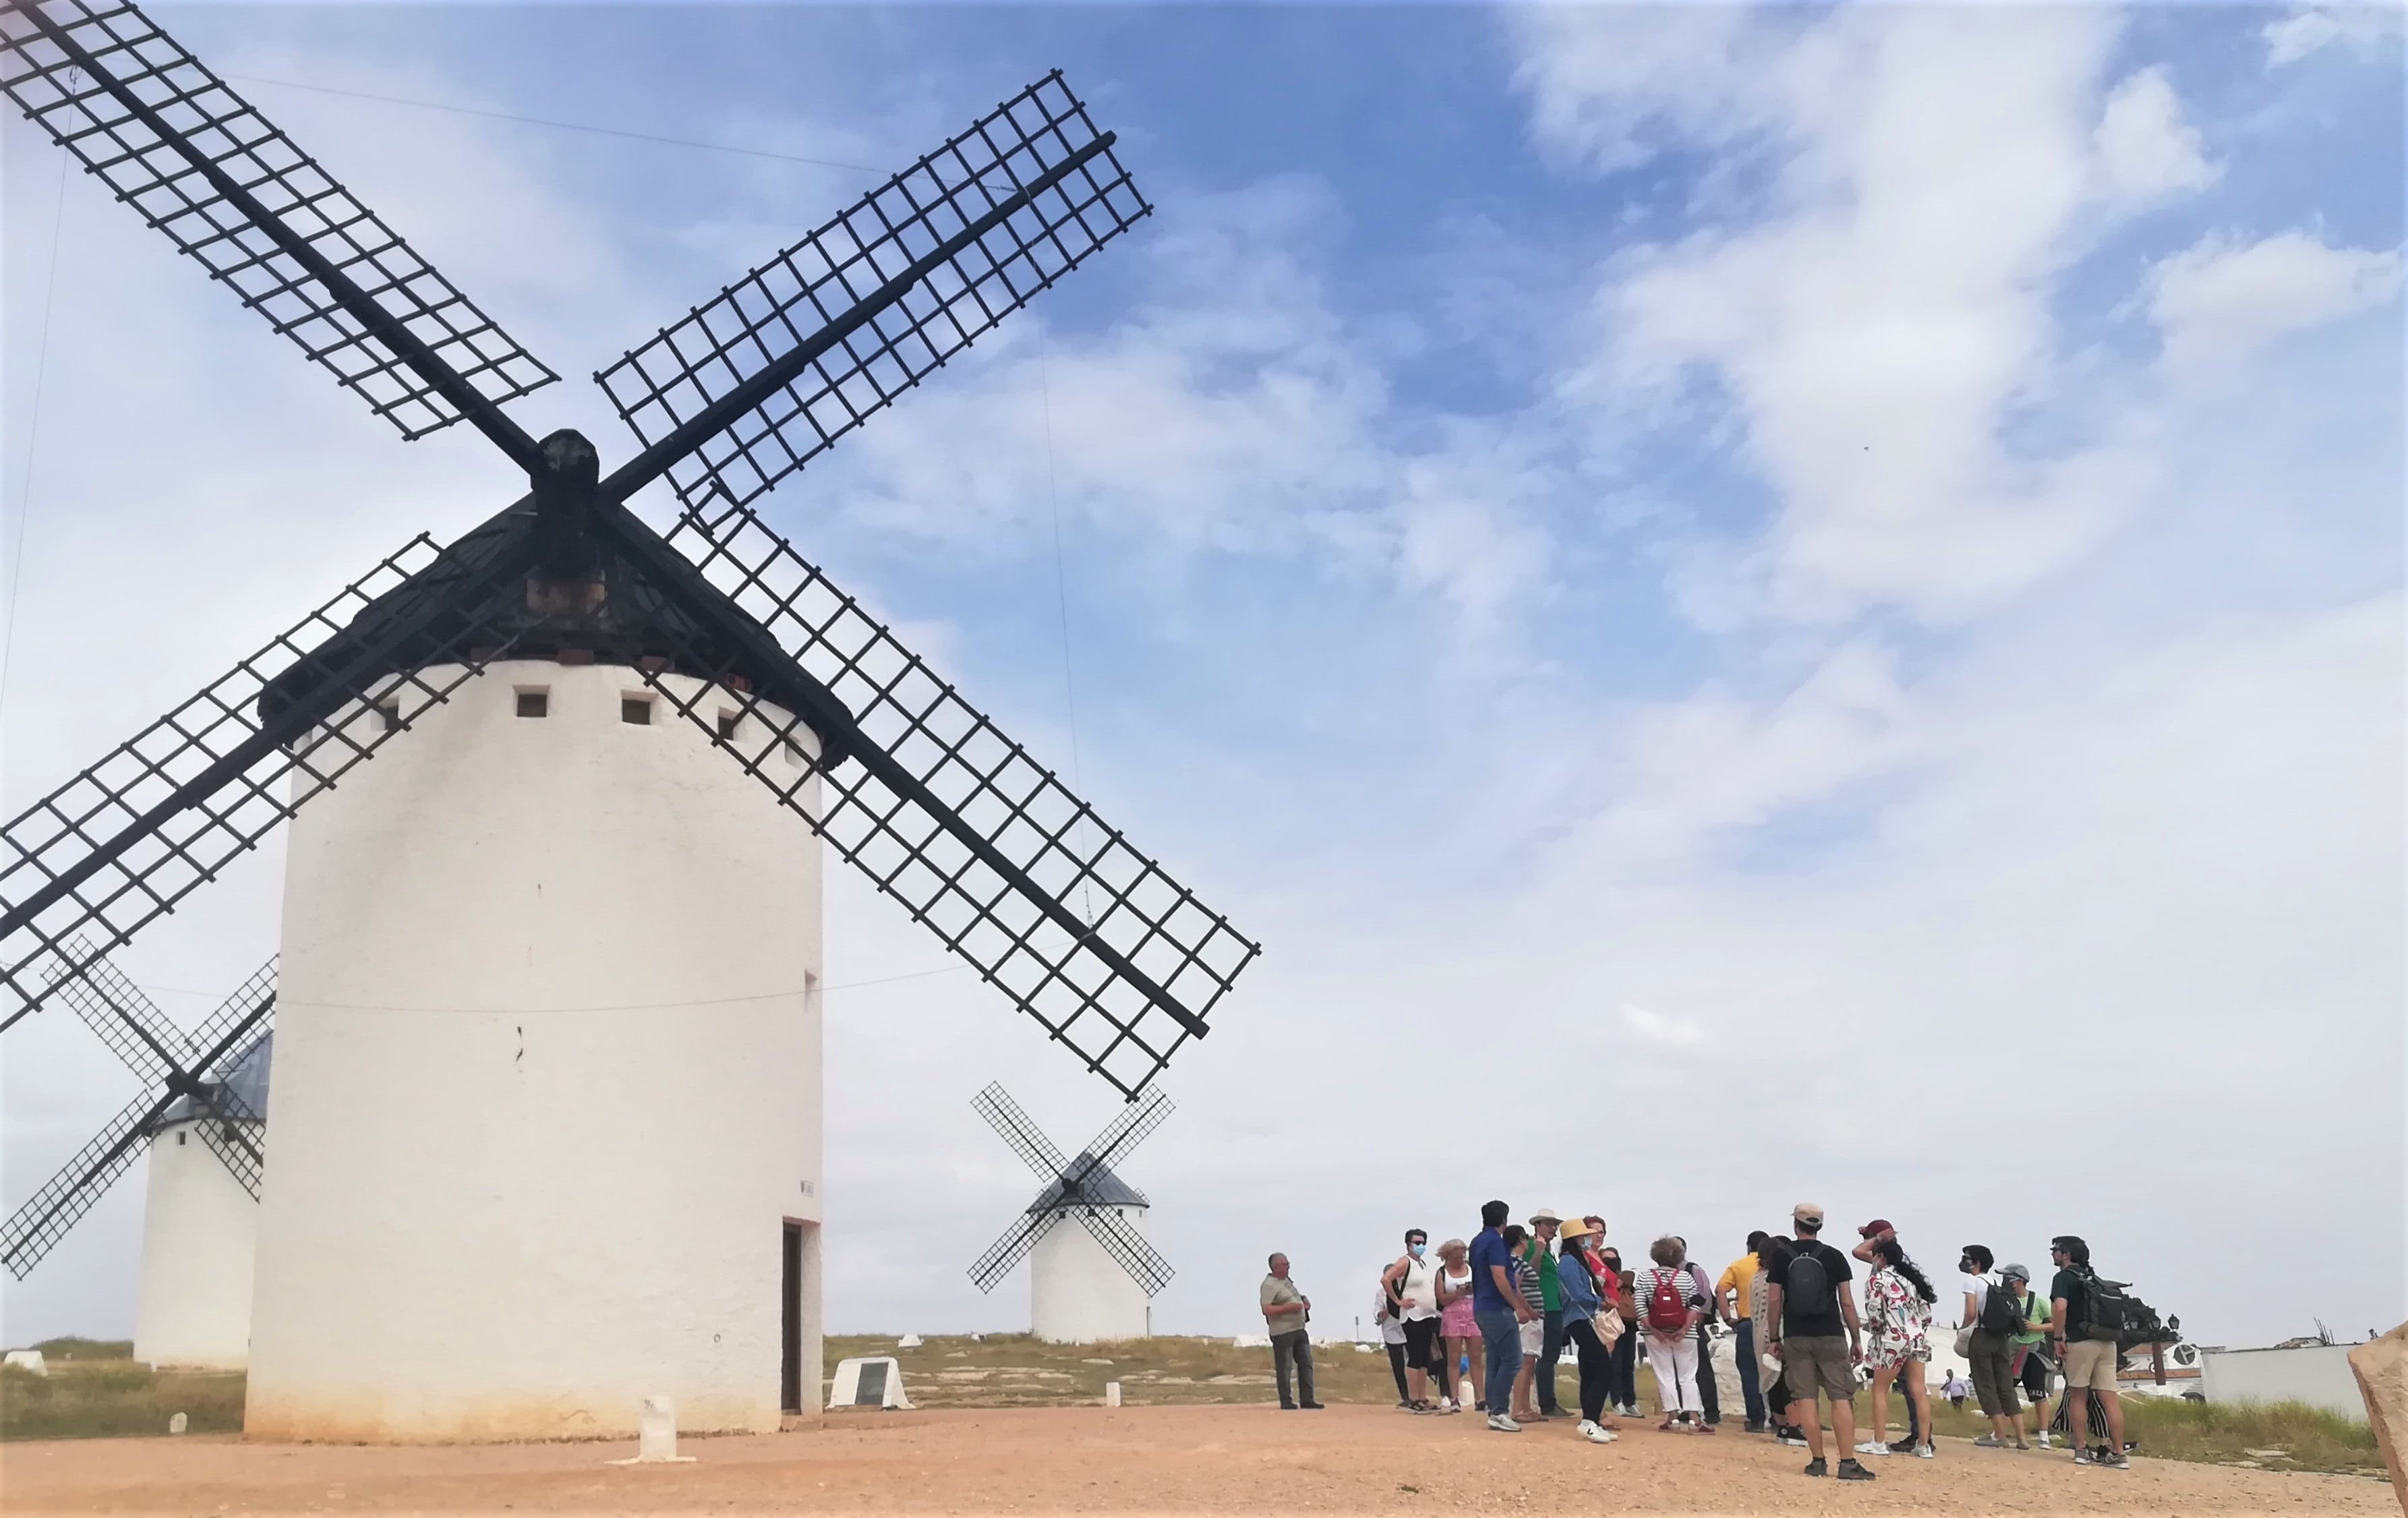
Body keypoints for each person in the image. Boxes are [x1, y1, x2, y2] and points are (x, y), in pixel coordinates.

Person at [1765, 1203, 1874, 1480]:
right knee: (1840, 1397)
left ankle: (1817, 1461)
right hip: (1831, 1334)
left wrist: (1775, 1337)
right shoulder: (1834, 1256)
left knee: (1806, 1398)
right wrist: (1856, 1337)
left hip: (1796, 1336)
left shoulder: (1781, 1256)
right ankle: (1848, 1463)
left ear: (1796, 1226)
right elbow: (1847, 1303)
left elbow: (1775, 1299)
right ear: (1819, 1227)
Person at [2048, 1235, 2128, 1469]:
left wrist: (2058, 1336)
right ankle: (2118, 1453)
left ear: (2066, 1254)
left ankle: (2081, 1450)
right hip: (2107, 1342)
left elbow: (2060, 1307)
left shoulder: (2063, 1278)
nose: (2053, 1254)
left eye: (2056, 1250)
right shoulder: (2095, 1279)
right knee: (2110, 1400)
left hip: (2080, 1342)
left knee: (2078, 1396)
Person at [1858, 1236, 1936, 1459]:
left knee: (1880, 1389)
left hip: (1892, 1338)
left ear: (1880, 1257)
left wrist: (1876, 1330)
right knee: (1919, 1391)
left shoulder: (1877, 1280)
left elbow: (1874, 1313)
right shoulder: (1912, 1281)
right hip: (1917, 1338)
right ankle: (1924, 1445)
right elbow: (1926, 1313)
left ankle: (1879, 1442)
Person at [1633, 1235, 1711, 1432]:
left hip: (1655, 1335)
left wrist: (1652, 1329)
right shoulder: (1686, 1277)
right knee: (1688, 1376)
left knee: (1665, 1374)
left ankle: (1672, 1418)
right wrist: (1685, 1328)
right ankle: (1695, 1418)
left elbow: (1640, 1305)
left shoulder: (1645, 1277)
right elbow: (1696, 1304)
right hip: (1686, 1335)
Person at [1554, 1219, 1619, 1443]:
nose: (1589, 1239)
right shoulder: (1569, 1262)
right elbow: (1577, 1293)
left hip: (1583, 1318)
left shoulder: (1574, 1260)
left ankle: (1592, 1421)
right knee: (1604, 1369)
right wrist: (1600, 1301)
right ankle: (1589, 1421)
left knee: (1592, 1370)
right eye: (1585, 1235)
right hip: (1580, 1318)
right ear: (1576, 1238)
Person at [1470, 1200, 1530, 1432]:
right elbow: (1500, 1276)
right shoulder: (1496, 1242)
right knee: (1513, 1359)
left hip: (1481, 1307)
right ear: (1504, 1219)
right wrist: (1517, 1306)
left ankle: (1495, 1409)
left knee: (1495, 1360)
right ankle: (1499, 1411)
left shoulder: (1477, 1241)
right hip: (1497, 1307)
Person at [1960, 1244, 2026, 1450]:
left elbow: (1971, 1313)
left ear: (1976, 1263)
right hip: (2002, 1338)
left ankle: (2000, 1435)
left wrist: (1962, 1332)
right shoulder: (1998, 1281)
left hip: (1982, 1334)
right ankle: (2022, 1438)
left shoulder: (1972, 1280)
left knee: (1986, 1385)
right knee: (2006, 1386)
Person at [1380, 1228, 1444, 1411]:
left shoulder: (1422, 1264)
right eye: (1417, 1242)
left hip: (1427, 1315)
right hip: (1412, 1315)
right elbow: (1386, 1279)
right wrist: (1398, 1301)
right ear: (1408, 1244)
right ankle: (1413, 1398)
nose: (1420, 1246)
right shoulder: (1404, 1262)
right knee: (1415, 1356)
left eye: (1423, 1242)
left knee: (1425, 1357)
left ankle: (1423, 1397)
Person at [1717, 1231, 1771, 1432]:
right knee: (1775, 1372)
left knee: (1749, 1372)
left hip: (1747, 1324)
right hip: (1771, 1323)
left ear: (1748, 1246)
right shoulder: (1774, 1264)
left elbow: (1721, 1290)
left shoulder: (1738, 1265)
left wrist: (1727, 1318)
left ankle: (1756, 1419)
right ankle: (1779, 1419)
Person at [1260, 1253, 1320, 1410]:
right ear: (1276, 1267)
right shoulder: (1269, 1285)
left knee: (1306, 1363)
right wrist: (1288, 1308)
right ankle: (1286, 1400)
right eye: (1285, 1264)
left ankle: (1307, 1399)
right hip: (1282, 1332)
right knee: (1285, 1366)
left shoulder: (1286, 1281)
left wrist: (1303, 1300)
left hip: (1299, 1328)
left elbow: (1293, 1296)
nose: (1288, 1267)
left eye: (1288, 1264)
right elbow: (1266, 1309)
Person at [2006, 1262, 2056, 1446]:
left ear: (2019, 1281)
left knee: (2038, 1394)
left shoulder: (2038, 1301)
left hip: (2035, 1350)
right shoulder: (2007, 1301)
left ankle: (2044, 1436)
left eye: (2009, 1277)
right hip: (2013, 1351)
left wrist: (2035, 1327)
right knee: (2006, 1390)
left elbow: (2056, 1324)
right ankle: (2001, 1431)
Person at [1523, 1209, 1566, 1418]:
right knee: (1546, 1355)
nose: (1553, 1228)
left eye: (1555, 1224)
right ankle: (1547, 1402)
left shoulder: (1549, 1251)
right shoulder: (1533, 1246)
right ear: (1538, 1225)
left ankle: (1547, 1400)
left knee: (1550, 1354)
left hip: (1554, 1305)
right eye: (1549, 1224)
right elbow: (1529, 1272)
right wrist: (1539, 1251)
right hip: (1544, 1306)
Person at [1676, 1239, 1722, 1428]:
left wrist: (1694, 1322)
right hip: (1674, 1328)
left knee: (1702, 1369)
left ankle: (1711, 1411)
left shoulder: (1693, 1270)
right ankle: (1685, 1409)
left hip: (1694, 1326)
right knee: (1679, 1371)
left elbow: (1704, 1300)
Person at [1504, 1225, 1545, 1422]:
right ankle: (1518, 1409)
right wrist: (1528, 1309)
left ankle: (1526, 1407)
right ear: (1521, 1240)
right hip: (1529, 1318)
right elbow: (1515, 1286)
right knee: (1525, 1362)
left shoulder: (1518, 1262)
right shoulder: (1516, 1262)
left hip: (1532, 1317)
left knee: (1530, 1362)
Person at [1435, 1237, 1479, 1413]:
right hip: (1452, 1315)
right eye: (1456, 1257)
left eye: (1462, 1256)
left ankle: (1481, 1398)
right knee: (1453, 1358)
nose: (1460, 1260)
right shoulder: (1442, 1273)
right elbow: (1441, 1299)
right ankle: (1454, 1398)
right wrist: (1457, 1293)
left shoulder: (1471, 1269)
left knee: (1475, 1358)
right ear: (1447, 1256)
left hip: (1473, 1313)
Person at [1596, 1244, 1640, 1416]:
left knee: (1628, 1362)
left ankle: (1630, 1400)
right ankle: (1617, 1401)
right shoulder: (1600, 1277)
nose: (1611, 1263)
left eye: (1614, 1260)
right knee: (1615, 1363)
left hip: (1627, 1323)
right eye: (1607, 1260)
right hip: (1610, 1322)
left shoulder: (1625, 1279)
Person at [1374, 1286, 1411, 1407]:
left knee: (1415, 1364)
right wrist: (1386, 1310)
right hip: (1391, 1332)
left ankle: (1418, 1396)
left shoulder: (1408, 1288)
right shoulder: (1381, 1293)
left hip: (1409, 1328)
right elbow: (1377, 1313)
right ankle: (1406, 1397)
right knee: (1398, 1366)